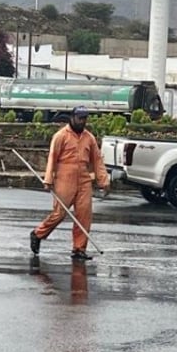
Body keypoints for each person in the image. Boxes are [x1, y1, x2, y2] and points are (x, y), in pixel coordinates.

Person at [29, 105, 109, 261]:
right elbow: (53, 157)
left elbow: (97, 160)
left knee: (84, 215)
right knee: (59, 214)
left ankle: (79, 249)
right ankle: (38, 233)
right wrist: (49, 179)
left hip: (84, 179)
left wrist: (103, 181)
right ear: (72, 118)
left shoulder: (89, 138)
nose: (82, 121)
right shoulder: (61, 136)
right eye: (80, 118)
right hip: (65, 178)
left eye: (85, 118)